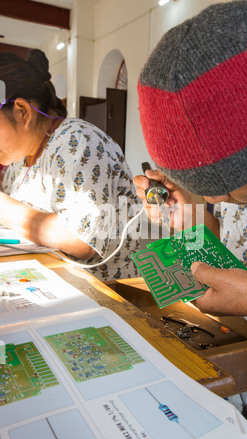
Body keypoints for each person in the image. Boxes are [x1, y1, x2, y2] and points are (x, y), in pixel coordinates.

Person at [134, 0, 247, 439]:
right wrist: (185, 211)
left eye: (217, 186)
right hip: (235, 399)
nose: (214, 199)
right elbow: (217, 237)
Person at [0, 49, 140, 281]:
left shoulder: (79, 142)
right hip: (56, 281)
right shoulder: (19, 159)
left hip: (115, 293)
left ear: (23, 112)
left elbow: (82, 240)